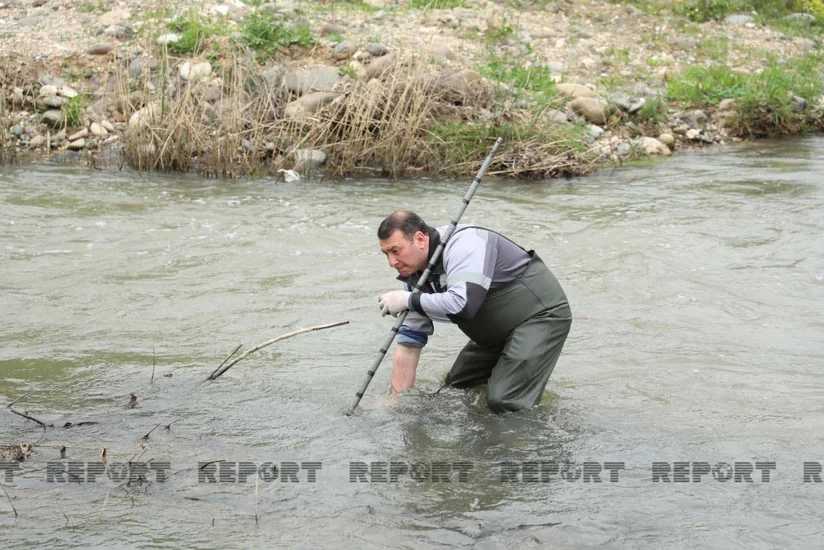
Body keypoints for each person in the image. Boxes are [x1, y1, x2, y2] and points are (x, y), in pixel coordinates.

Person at [376, 210, 572, 413]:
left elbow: (463, 305)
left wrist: (408, 300)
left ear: (419, 239)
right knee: (457, 389)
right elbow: (409, 341)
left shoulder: (466, 245)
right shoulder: (414, 275)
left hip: (540, 317)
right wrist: (396, 400)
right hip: (495, 331)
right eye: (386, 254)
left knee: (504, 401)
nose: (391, 262)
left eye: (396, 251)